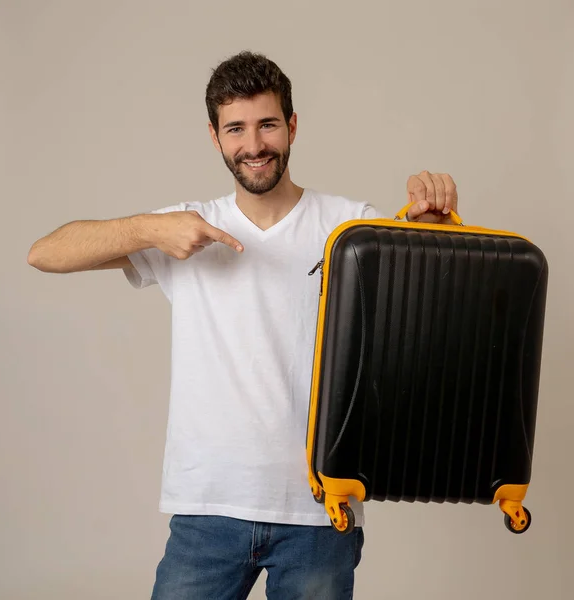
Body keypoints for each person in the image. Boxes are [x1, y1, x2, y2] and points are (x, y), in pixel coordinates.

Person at [28, 51, 459, 600]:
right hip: (207, 512)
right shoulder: (184, 228)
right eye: (236, 128)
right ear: (215, 136)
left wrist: (437, 233)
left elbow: (429, 316)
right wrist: (148, 229)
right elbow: (45, 253)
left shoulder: (354, 227)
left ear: (293, 126)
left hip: (322, 514)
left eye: (267, 124)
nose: (253, 145)